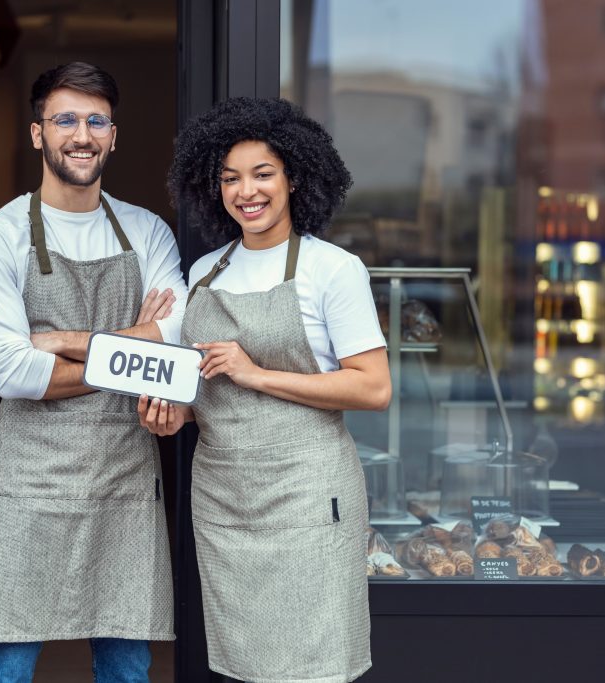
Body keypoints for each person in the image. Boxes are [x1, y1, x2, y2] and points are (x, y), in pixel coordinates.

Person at [139, 97, 391, 683]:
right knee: (244, 663)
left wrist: (254, 373)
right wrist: (174, 415)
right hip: (227, 496)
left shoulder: (333, 269)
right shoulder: (204, 273)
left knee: (314, 663)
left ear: (295, 178)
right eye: (230, 178)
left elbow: (373, 387)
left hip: (307, 493)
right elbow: (204, 390)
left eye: (262, 174)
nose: (245, 192)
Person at [0, 61, 186, 682]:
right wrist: (135, 351)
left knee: (127, 670)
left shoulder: (147, 231)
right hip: (31, 481)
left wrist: (66, 341)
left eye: (96, 121)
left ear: (114, 135)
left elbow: (176, 347)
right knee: (6, 665)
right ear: (37, 133)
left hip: (123, 479)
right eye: (64, 119)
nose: (81, 134)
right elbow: (12, 374)